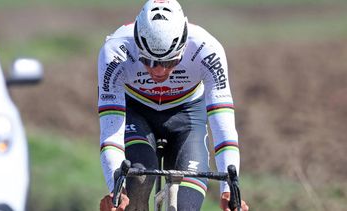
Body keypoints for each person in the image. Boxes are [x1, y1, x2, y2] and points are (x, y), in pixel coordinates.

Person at [98, 0, 249, 210]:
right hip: (137, 113)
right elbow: (110, 130)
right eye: (149, 61)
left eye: (170, 62)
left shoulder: (207, 49)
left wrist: (229, 189)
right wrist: (116, 190)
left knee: (187, 205)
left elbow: (223, 126)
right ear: (136, 44)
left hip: (187, 116)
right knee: (139, 177)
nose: (159, 71)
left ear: (184, 46)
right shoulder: (115, 51)